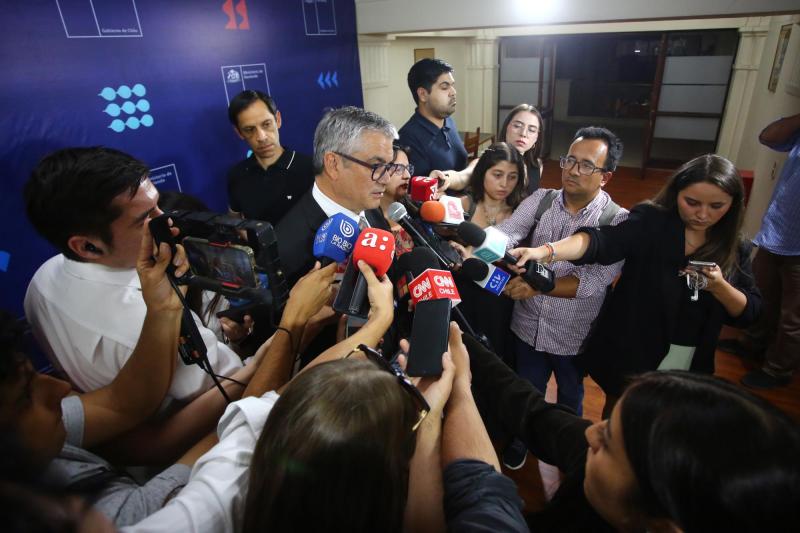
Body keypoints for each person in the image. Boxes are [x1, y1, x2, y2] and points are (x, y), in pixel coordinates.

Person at [460, 332, 800, 533]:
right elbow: (532, 412)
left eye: (608, 441)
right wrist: (460, 340)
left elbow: (481, 494)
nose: (591, 434)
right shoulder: (601, 456)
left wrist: (459, 393)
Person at [511, 153, 761, 417]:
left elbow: (750, 312)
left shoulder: (736, 246)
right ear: (677, 193)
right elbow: (601, 242)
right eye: (692, 202)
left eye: (716, 206)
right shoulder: (652, 222)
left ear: (733, 204)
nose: (702, 214)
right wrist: (547, 251)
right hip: (635, 351)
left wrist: (720, 286)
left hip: (690, 358)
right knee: (618, 416)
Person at [23, 147, 242, 402]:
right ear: (87, 247)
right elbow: (234, 385)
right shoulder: (152, 322)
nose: (168, 222)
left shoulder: (41, 279)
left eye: (158, 206)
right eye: (145, 219)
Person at [498, 127, 627, 419]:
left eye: (586, 165)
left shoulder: (616, 221)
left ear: (605, 176)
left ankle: (567, 444)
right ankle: (524, 438)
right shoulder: (542, 199)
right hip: (527, 324)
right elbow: (510, 231)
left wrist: (538, 286)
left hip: (572, 334)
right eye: (569, 160)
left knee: (569, 397)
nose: (572, 170)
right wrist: (481, 241)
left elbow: (592, 284)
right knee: (528, 390)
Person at [275, 106, 403, 286]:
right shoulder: (287, 248)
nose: (387, 179)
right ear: (333, 164)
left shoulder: (369, 207)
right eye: (376, 166)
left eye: (389, 166)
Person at [728, 113, 800, 389]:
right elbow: (768, 136)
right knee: (762, 293)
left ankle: (777, 370)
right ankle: (752, 343)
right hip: (780, 231)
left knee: (793, 316)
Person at [226, 90, 314, 224]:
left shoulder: (311, 169)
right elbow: (235, 219)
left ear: (277, 120)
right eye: (249, 129)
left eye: (266, 124)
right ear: (239, 132)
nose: (261, 137)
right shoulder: (236, 175)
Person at [435, 103, 545, 196]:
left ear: (536, 137)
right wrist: (444, 178)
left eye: (531, 130)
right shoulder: (488, 158)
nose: (523, 134)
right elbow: (463, 176)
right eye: (517, 126)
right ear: (507, 127)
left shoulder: (537, 165)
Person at [398, 58, 467, 178]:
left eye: (452, 86)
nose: (453, 92)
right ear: (423, 94)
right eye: (445, 87)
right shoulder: (407, 139)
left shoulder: (448, 121)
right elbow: (418, 193)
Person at [378, 144, 415, 256]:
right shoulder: (365, 219)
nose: (407, 175)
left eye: (408, 169)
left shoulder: (415, 209)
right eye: (399, 169)